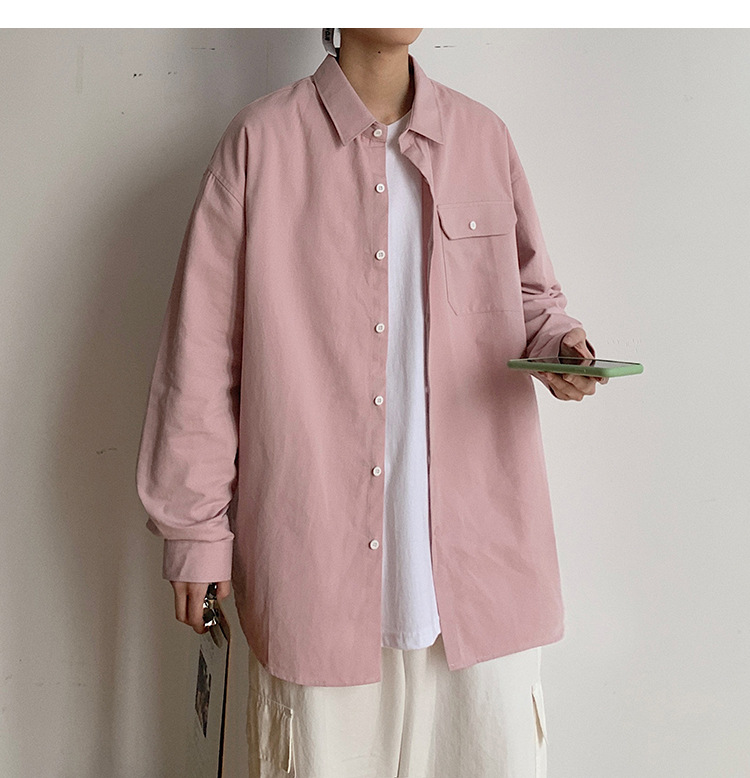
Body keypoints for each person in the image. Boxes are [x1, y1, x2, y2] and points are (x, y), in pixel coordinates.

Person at [136, 27, 608, 777]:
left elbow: (531, 298)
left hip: (482, 579)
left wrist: (562, 348)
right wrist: (195, 533)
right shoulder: (261, 143)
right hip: (312, 570)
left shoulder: (484, 138)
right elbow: (199, 356)